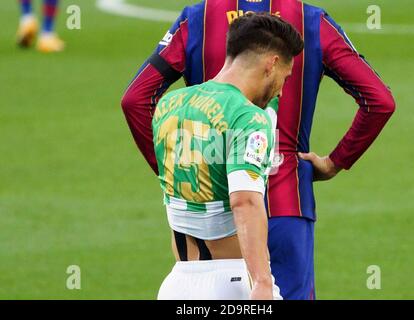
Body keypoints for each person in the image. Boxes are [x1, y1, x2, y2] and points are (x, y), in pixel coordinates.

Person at [121, 0, 396, 300]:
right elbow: (379, 100)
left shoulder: (198, 19)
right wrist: (334, 162)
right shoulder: (311, 20)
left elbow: (135, 98)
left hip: (198, 244)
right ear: (273, 65)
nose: (280, 91)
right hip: (285, 203)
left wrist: (177, 167)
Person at [150, 13, 303, 300]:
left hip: (177, 283)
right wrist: (262, 282)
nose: (282, 87)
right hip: (232, 283)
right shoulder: (248, 118)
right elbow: (244, 200)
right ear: (271, 64)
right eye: (286, 76)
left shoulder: (170, 104)